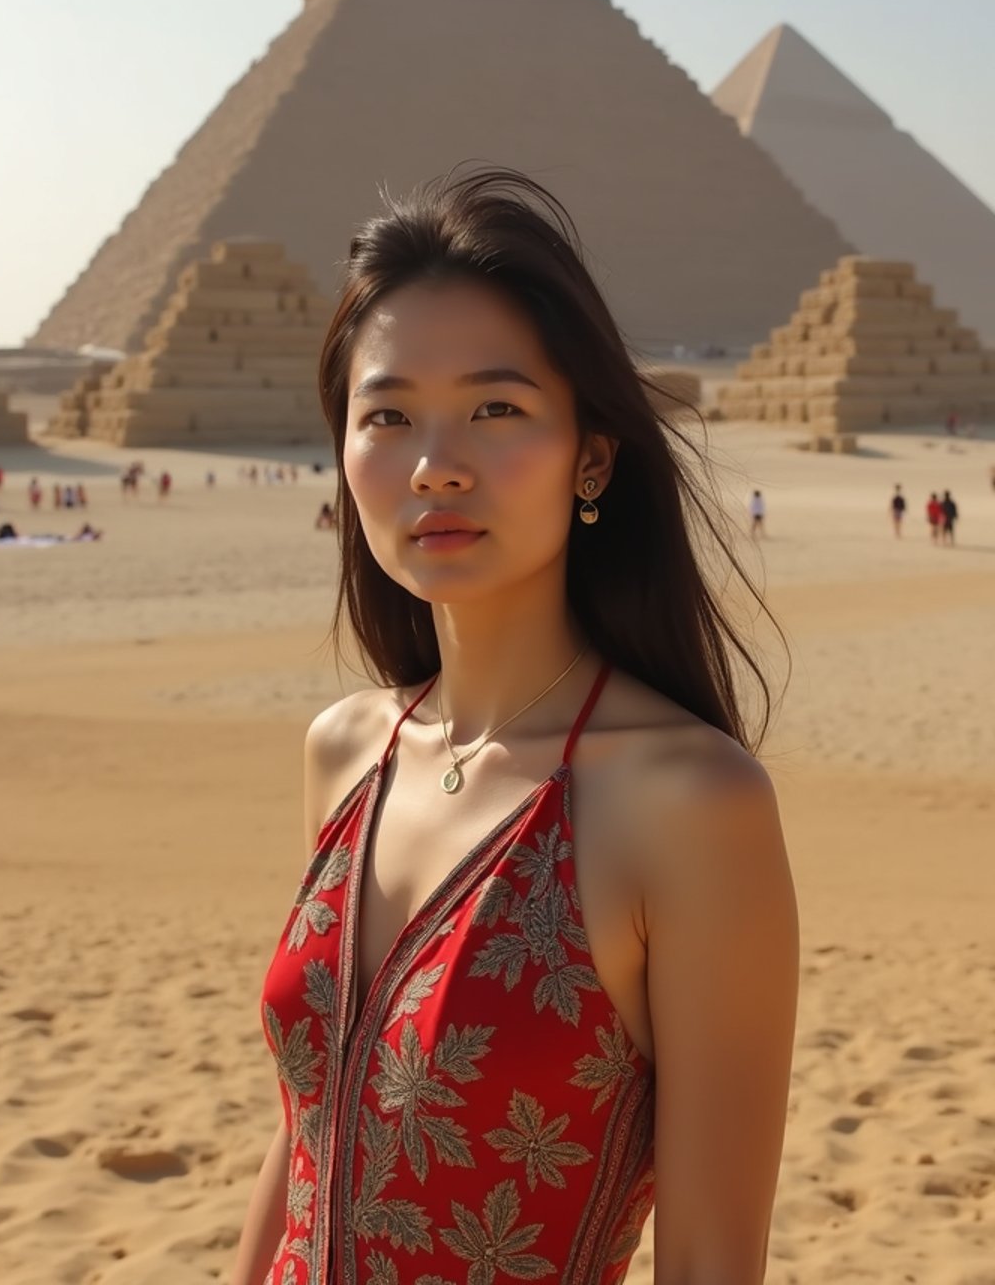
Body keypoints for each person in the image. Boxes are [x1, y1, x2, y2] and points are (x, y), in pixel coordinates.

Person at [231, 170, 799, 1285]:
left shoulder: (689, 802)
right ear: (343, 457)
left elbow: (714, 1255)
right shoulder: (348, 751)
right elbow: (308, 1134)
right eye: (386, 414)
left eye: (496, 408)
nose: (435, 462)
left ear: (591, 455)